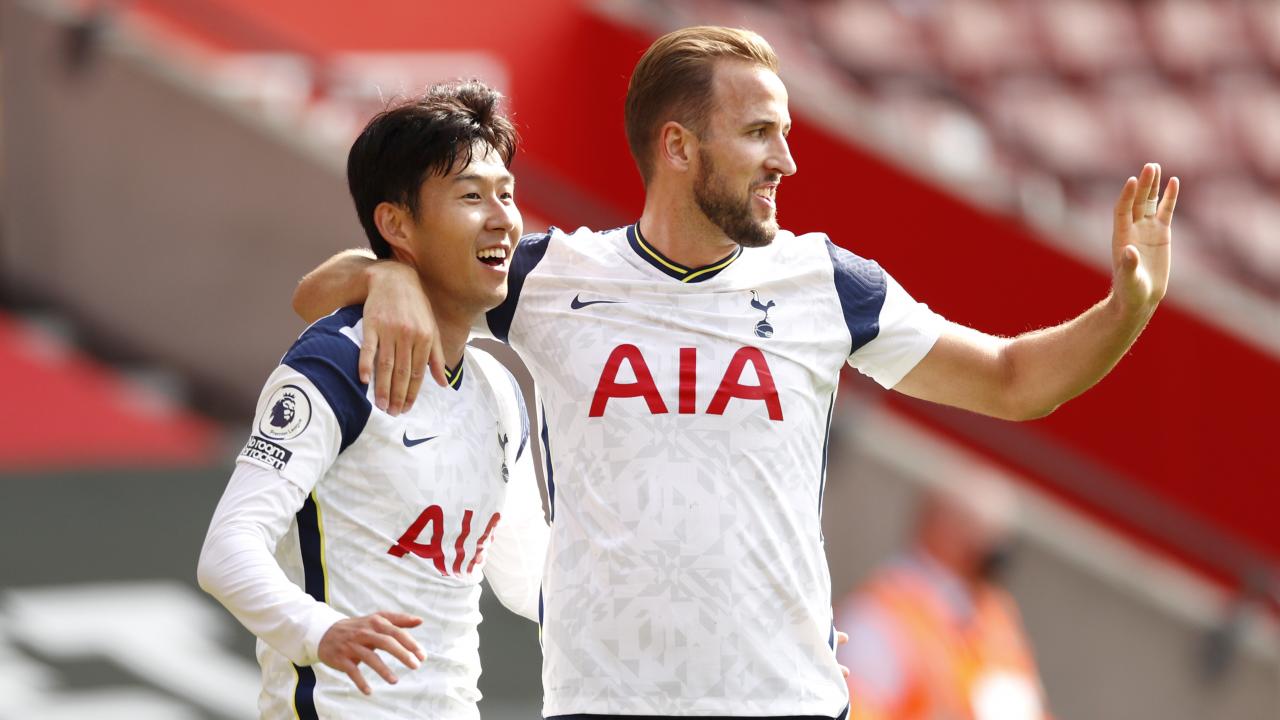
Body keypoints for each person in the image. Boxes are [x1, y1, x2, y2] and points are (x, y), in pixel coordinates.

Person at [291, 26, 1177, 720]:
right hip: (605, 702)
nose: (786, 160)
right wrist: (390, 277)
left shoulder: (830, 283)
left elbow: (1015, 381)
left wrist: (1125, 309)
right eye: (759, 134)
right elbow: (315, 293)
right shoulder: (548, 275)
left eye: (783, 134)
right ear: (678, 147)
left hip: (782, 700)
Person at [197, 80, 549, 719]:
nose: (503, 217)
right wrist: (320, 632)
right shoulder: (334, 364)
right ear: (396, 224)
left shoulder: (498, 388)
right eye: (471, 196)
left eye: (507, 193)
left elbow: (528, 580)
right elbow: (227, 551)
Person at [836, 474, 1049, 720]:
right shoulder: (878, 615)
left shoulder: (995, 616)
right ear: (941, 526)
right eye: (976, 526)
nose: (992, 548)